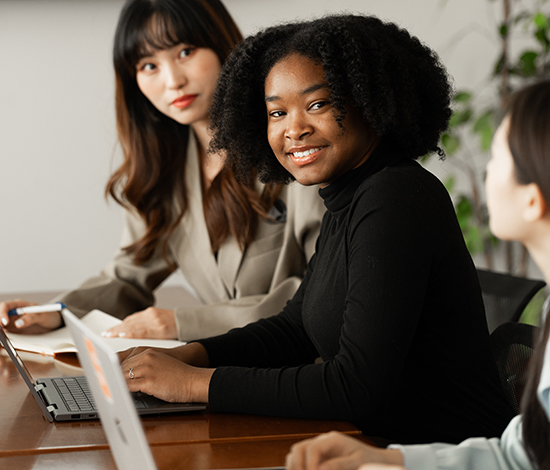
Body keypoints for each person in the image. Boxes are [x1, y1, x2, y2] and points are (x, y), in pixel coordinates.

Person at [117, 14, 515, 445]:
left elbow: (353, 387)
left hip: (442, 454)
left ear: (371, 99)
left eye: (318, 104)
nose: (294, 129)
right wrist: (191, 355)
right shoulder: (349, 197)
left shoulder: (395, 197)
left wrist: (194, 384)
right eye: (277, 112)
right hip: (380, 446)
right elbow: (295, 327)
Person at [0, 0, 325, 341]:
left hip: (304, 369)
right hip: (219, 368)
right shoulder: (167, 170)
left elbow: (325, 292)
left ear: (222, 45)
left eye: (185, 52)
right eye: (149, 65)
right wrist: (55, 313)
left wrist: (180, 322)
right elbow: (128, 277)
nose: (173, 80)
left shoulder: (295, 144)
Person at [284, 79, 550, 470]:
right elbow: (516, 455)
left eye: (496, 157)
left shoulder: (392, 196)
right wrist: (389, 459)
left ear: (532, 199)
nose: (486, 171)